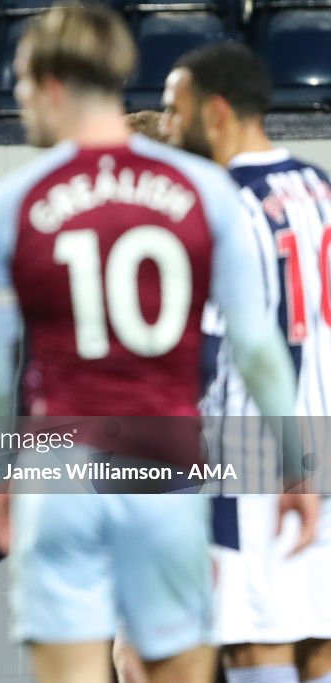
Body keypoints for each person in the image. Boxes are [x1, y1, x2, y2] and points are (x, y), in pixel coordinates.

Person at [0, 5, 318, 683]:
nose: (17, 97)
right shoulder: (204, 189)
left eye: (21, 81)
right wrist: (298, 466)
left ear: (54, 84)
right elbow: (258, 347)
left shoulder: (11, 200)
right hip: (166, 462)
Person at [158, 41, 331, 683]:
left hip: (249, 451)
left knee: (254, 641)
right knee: (317, 632)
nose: (168, 128)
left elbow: (203, 353)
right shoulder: (316, 183)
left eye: (175, 112)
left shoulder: (217, 201)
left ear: (217, 112)